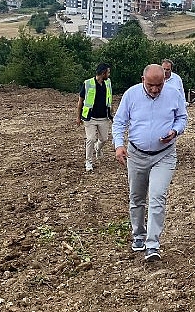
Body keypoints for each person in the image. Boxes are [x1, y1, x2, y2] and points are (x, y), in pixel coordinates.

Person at [112, 64, 188, 262]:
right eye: (151, 85)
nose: (155, 89)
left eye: (159, 85)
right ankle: (138, 235)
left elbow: (182, 118)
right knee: (137, 198)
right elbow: (119, 122)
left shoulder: (173, 94)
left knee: (157, 197)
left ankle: (152, 244)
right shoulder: (131, 95)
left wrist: (175, 131)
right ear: (142, 79)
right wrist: (119, 145)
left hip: (164, 155)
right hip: (136, 155)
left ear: (165, 81)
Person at [77, 63, 113, 172]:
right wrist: (78, 117)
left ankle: (98, 148)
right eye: (108, 72)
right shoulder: (87, 83)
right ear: (103, 73)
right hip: (90, 118)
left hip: (104, 117)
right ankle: (88, 162)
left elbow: (109, 99)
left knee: (104, 139)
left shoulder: (108, 83)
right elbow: (80, 101)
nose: (109, 74)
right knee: (91, 139)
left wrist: (111, 113)